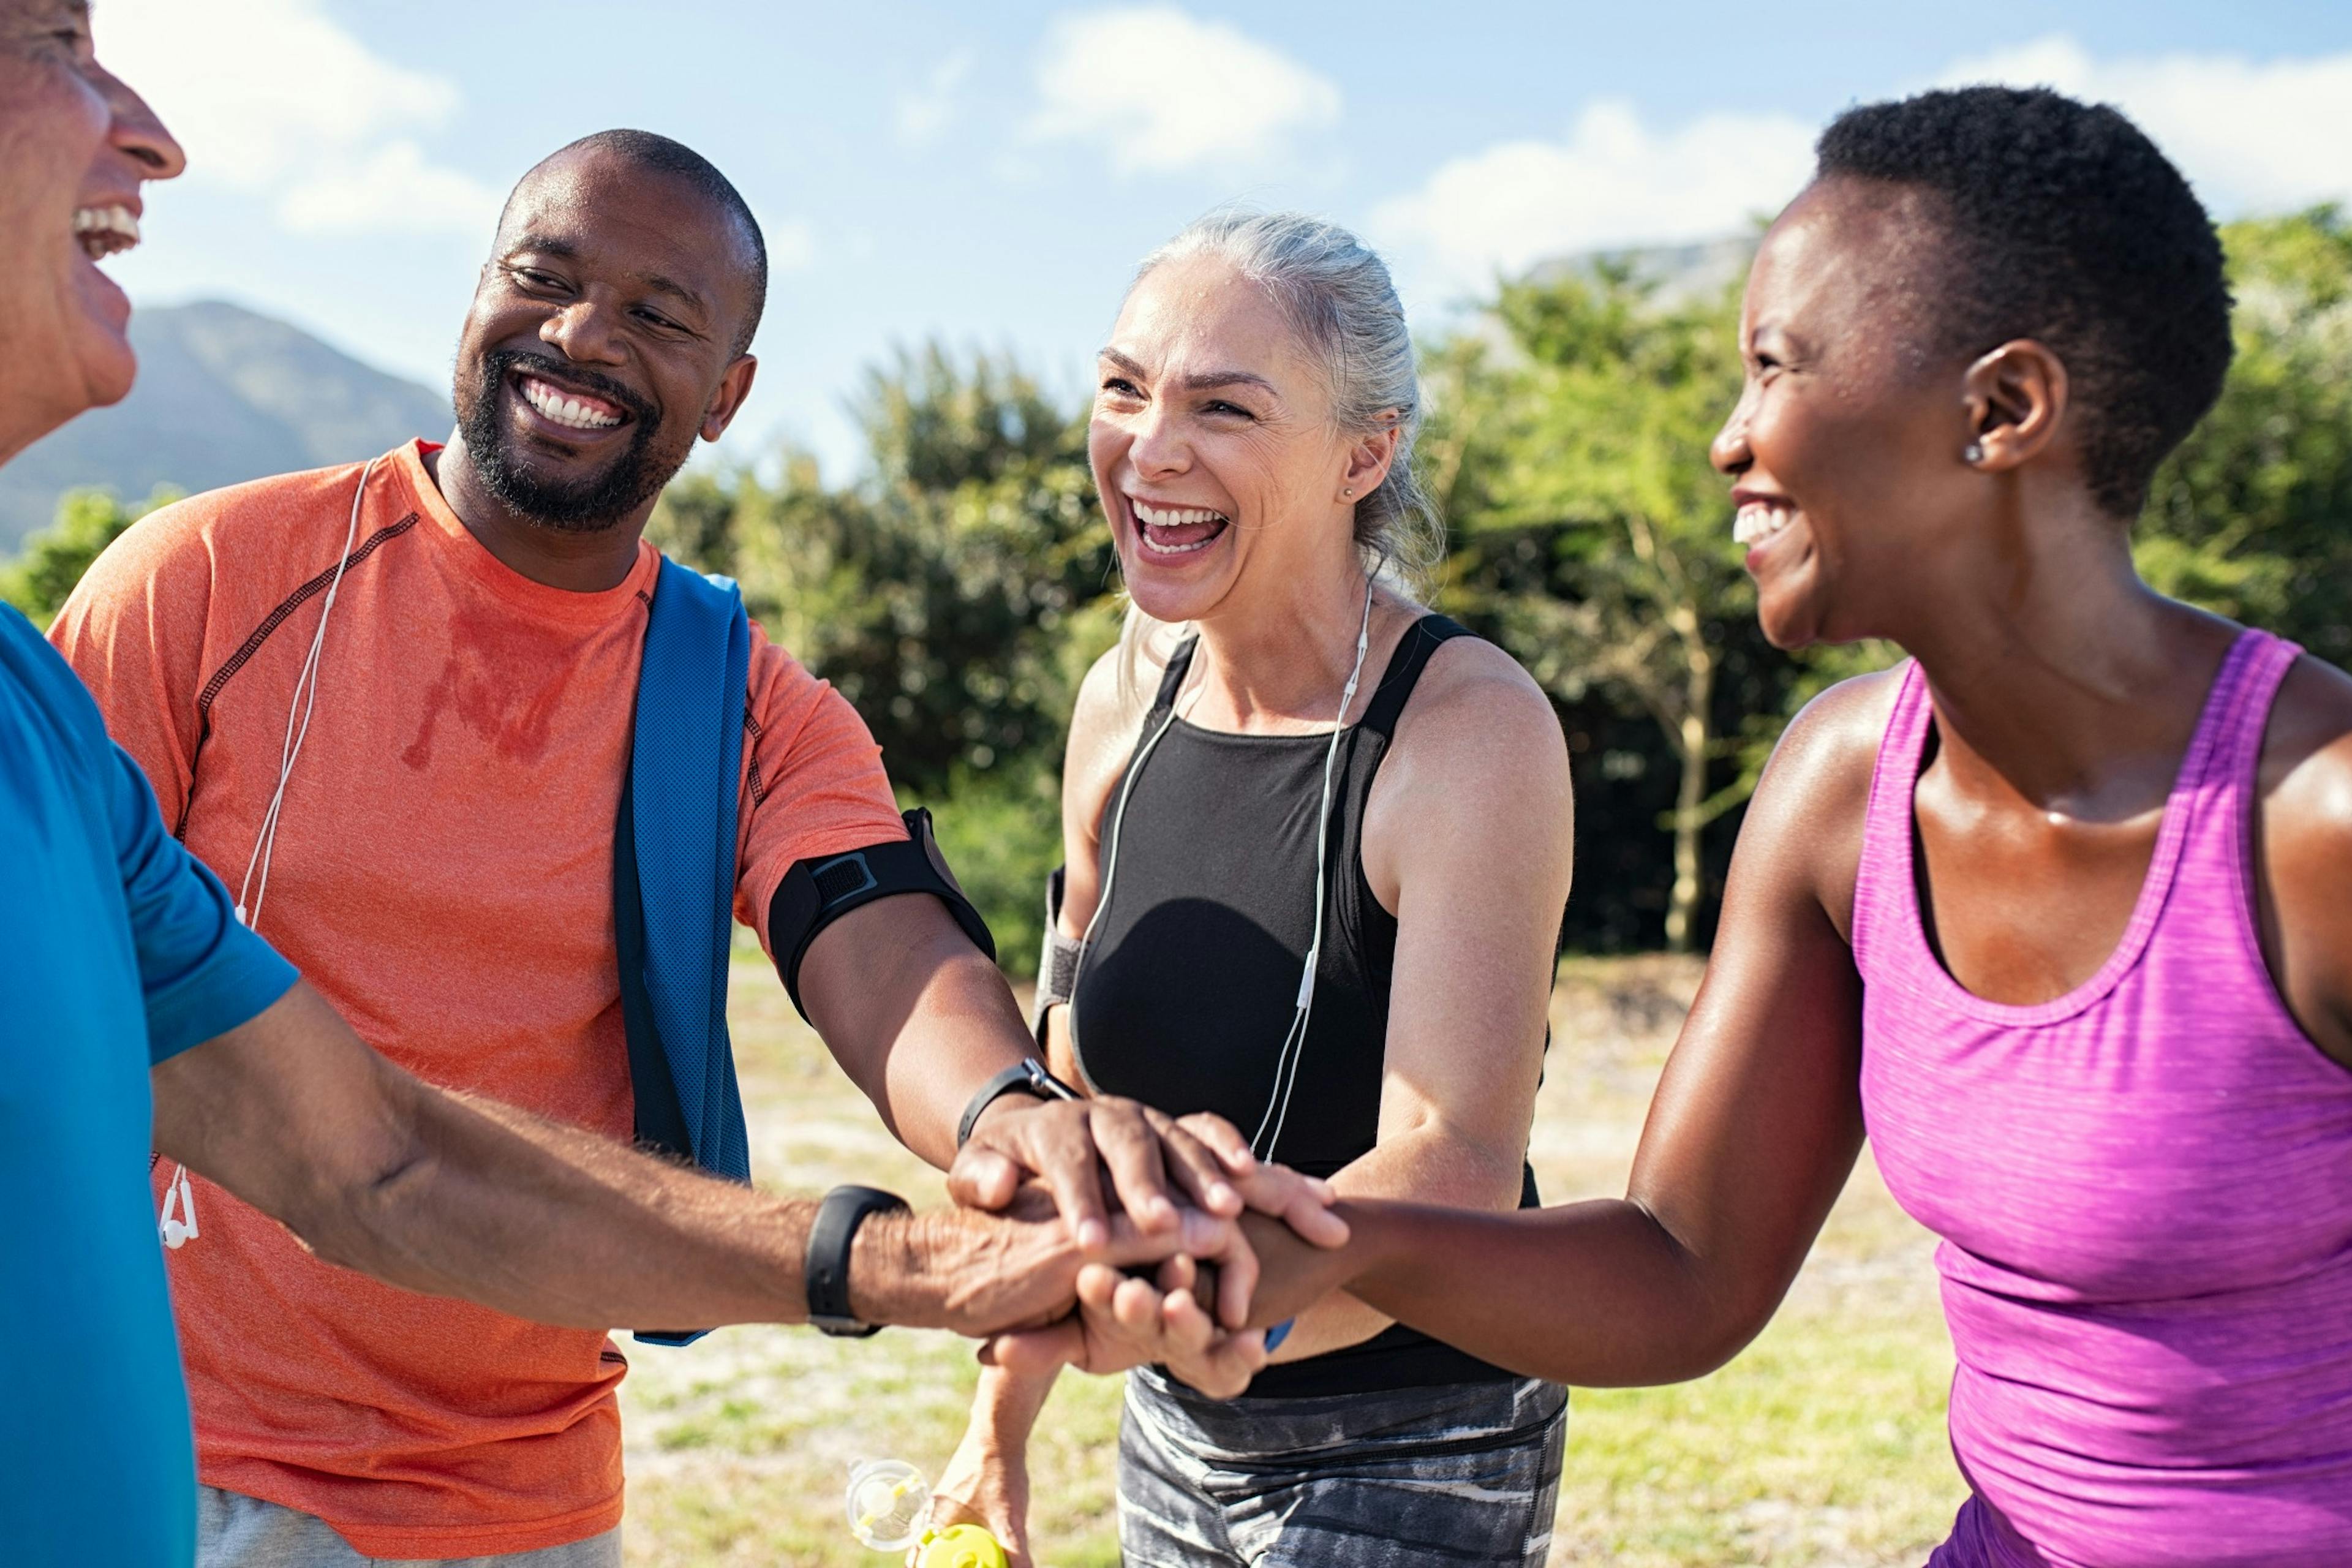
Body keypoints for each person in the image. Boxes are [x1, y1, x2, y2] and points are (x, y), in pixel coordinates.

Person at [10, 13, 1335, 1567]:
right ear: (477, 295)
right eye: (546, 277)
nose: (581, 336)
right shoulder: (208, 580)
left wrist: (1021, 1121)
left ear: (730, 392)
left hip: (528, 1495)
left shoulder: (738, 696)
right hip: (183, 1455)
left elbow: (878, 938)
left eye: (656, 312)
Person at [1095, 86, 2352, 1567]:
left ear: (2003, 410)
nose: (1726, 439)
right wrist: (1316, 1240)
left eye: (1775, 367)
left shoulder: (2315, 823)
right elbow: (1680, 1271)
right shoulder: (1839, 785)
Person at [930, 212, 1577, 1568]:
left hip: (1418, 1439)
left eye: (1222, 406)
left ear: (1366, 451)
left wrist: (1200, 1308)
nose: (1151, 448)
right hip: (1171, 1424)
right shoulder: (1119, 703)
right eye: (1124, 388)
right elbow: (1068, 1099)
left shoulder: (1467, 732)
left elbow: (1453, 1163)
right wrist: (1001, 1414)